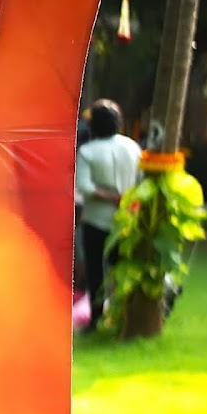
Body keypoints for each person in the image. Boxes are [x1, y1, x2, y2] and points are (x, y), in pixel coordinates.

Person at [75, 98, 141, 330]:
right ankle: (124, 317)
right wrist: (124, 199)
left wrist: (109, 196)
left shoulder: (87, 151)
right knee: (122, 270)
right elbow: (141, 182)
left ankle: (95, 320)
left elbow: (84, 186)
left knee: (95, 273)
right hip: (125, 221)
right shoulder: (133, 148)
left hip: (95, 221)